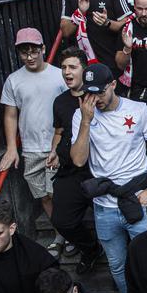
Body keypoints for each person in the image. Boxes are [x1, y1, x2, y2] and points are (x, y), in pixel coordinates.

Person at [70, 63, 147, 293]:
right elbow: (78, 160)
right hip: (104, 206)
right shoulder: (82, 114)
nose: (95, 99)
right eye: (89, 93)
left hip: (137, 198)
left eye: (100, 92)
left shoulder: (139, 110)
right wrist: (85, 121)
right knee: (116, 264)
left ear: (113, 85)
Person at [0, 27, 68, 252]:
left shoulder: (59, 75)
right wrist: (11, 148)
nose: (29, 56)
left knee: (57, 194)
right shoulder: (14, 80)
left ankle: (69, 235)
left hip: (55, 146)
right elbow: (10, 113)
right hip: (30, 148)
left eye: (33, 51)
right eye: (24, 52)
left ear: (43, 49)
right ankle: (60, 236)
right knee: (43, 197)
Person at [47, 48, 104, 272]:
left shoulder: (96, 97)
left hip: (97, 168)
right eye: (63, 67)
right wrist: (53, 150)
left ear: (84, 70)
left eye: (73, 67)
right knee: (62, 220)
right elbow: (59, 132)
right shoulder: (60, 102)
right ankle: (91, 249)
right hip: (69, 170)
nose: (67, 72)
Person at [61, 0, 132, 75]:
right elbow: (66, 31)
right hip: (81, 66)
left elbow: (127, 26)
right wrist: (80, 13)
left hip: (109, 63)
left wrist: (107, 23)